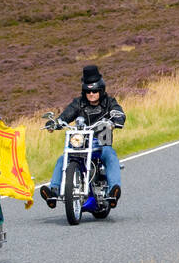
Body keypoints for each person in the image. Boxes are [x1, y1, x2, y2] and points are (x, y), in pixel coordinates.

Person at [40, 65, 125, 208]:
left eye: (94, 91)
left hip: (102, 142)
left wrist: (116, 119)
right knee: (63, 158)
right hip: (81, 142)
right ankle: (53, 191)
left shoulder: (109, 102)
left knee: (110, 154)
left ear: (101, 90)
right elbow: (66, 115)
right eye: (88, 91)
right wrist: (56, 123)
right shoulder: (78, 103)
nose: (91, 94)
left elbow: (118, 112)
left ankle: (113, 191)